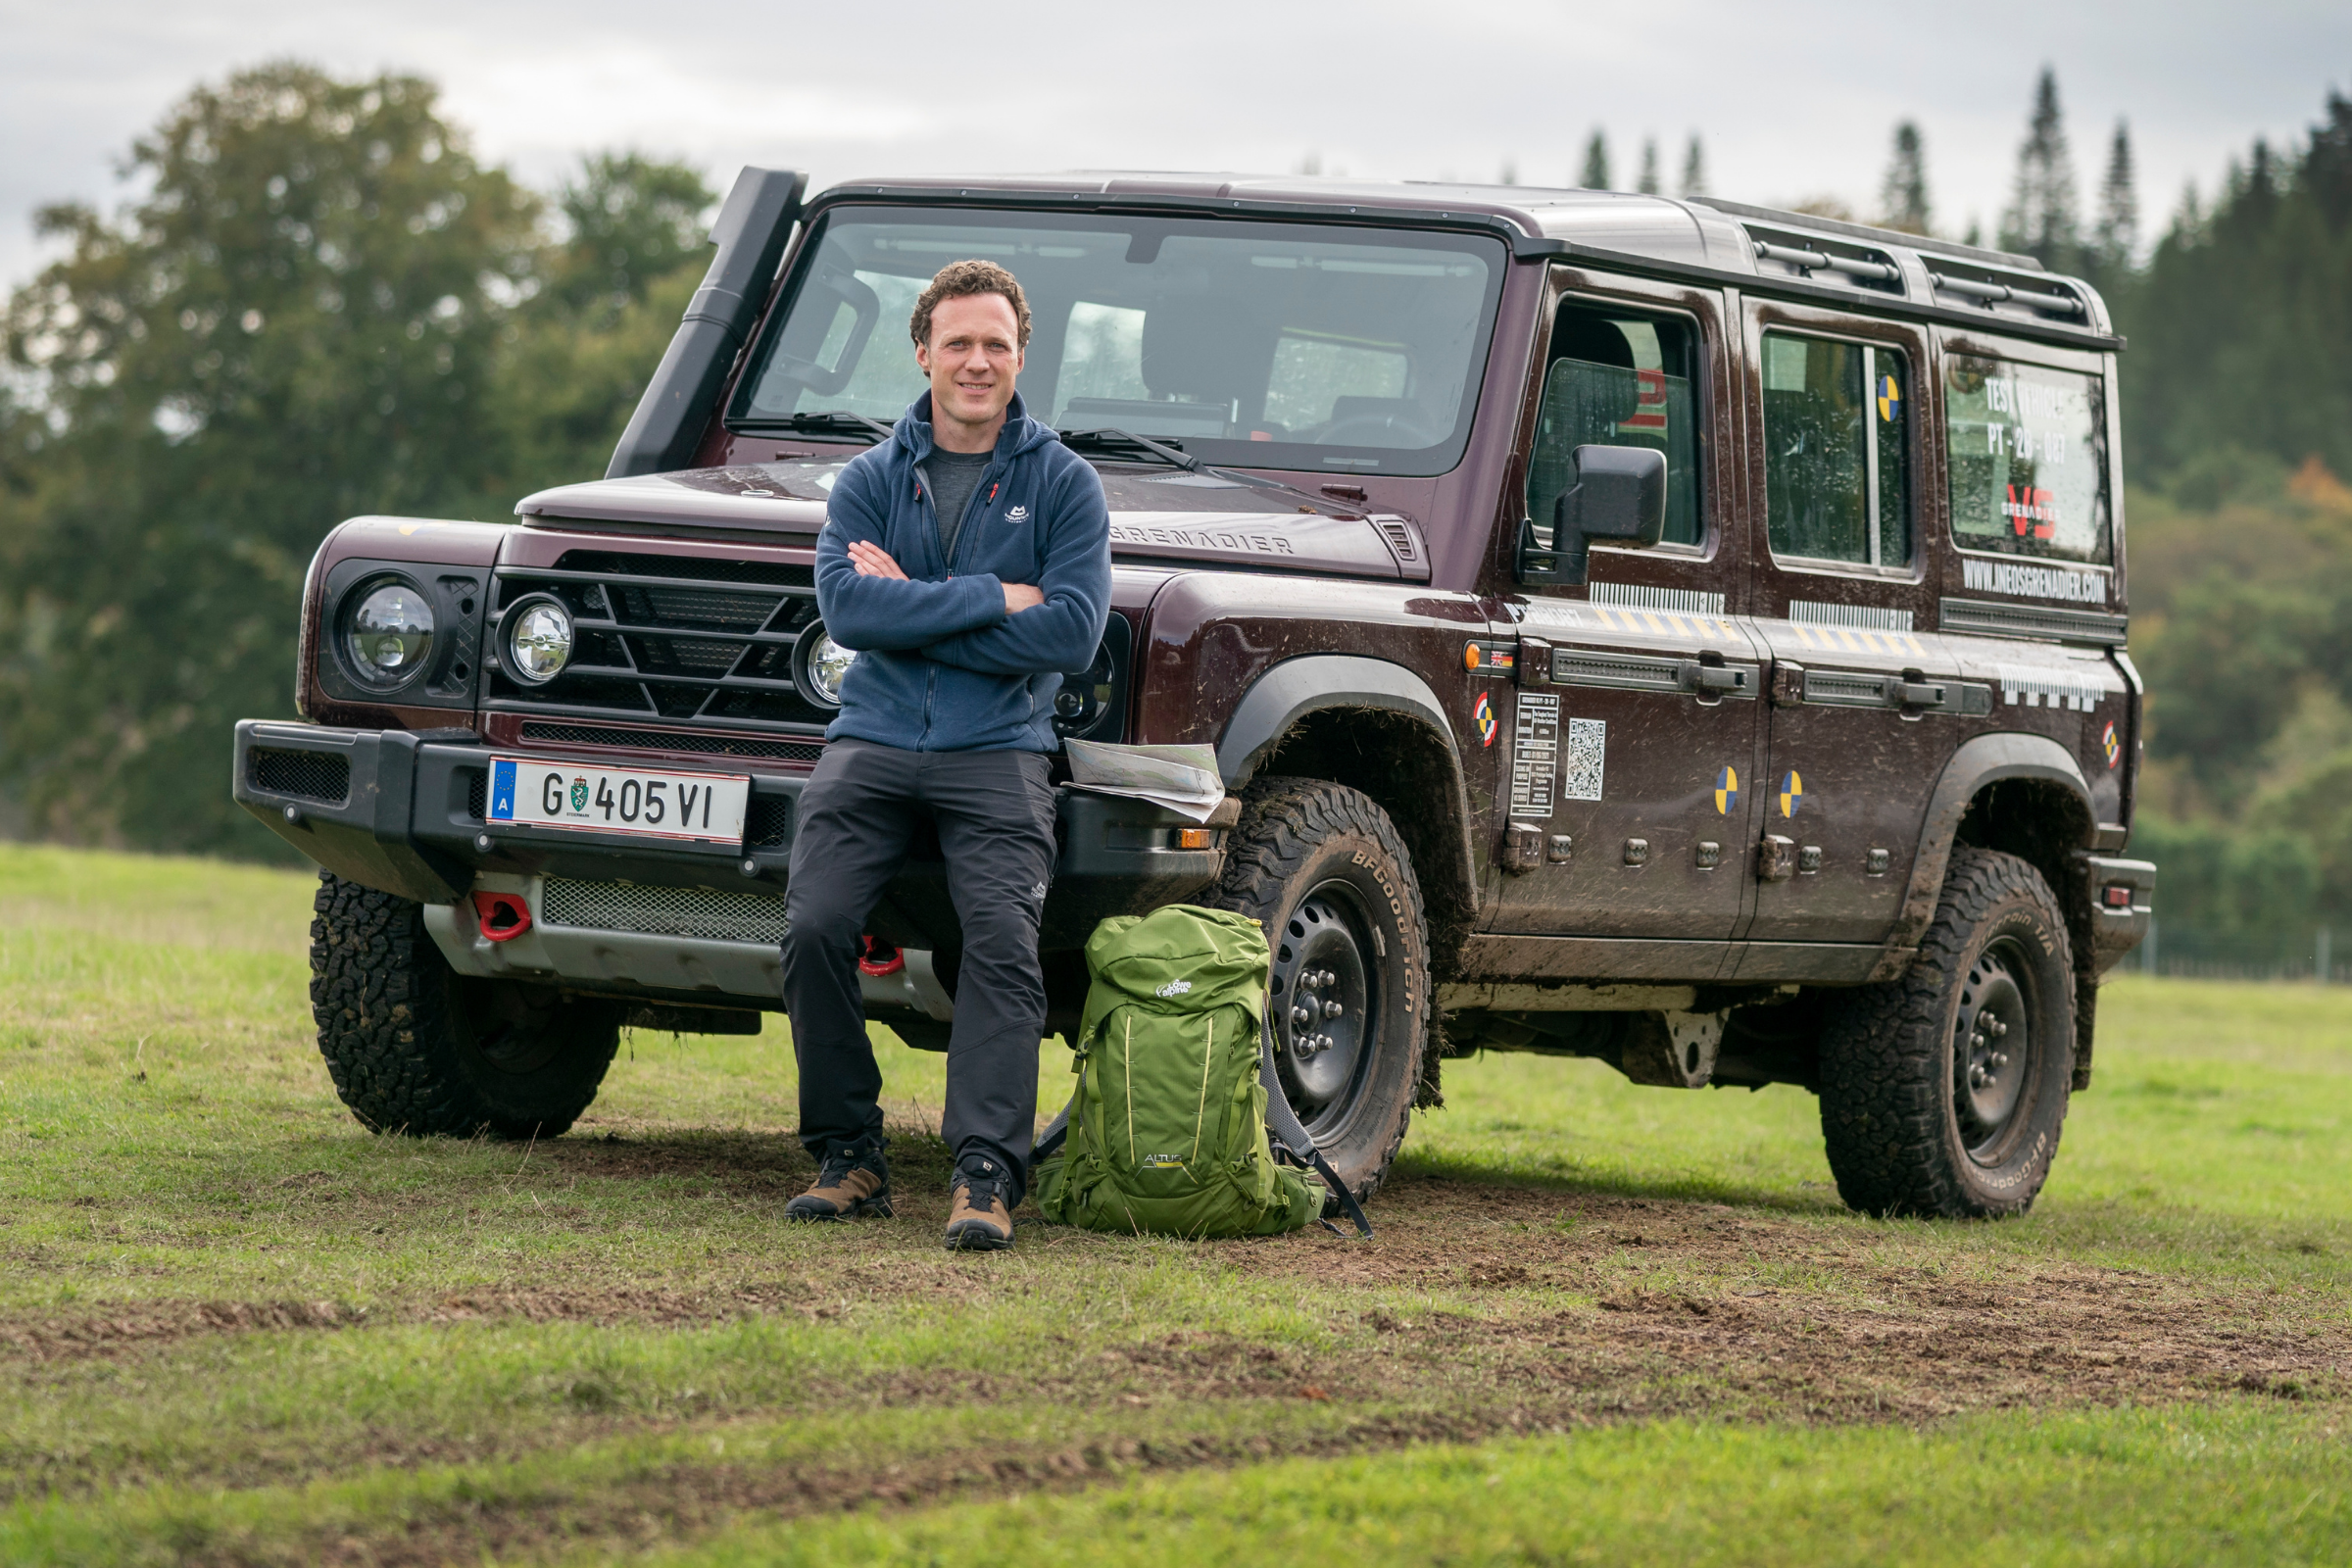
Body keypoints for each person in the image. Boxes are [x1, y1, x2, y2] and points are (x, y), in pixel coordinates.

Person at [779, 260, 1112, 1250]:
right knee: (813, 927)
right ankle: (850, 1155)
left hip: (999, 747)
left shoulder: (1064, 484)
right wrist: (990, 594)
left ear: (1021, 356)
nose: (977, 362)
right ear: (922, 350)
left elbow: (1069, 636)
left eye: (996, 345)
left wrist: (912, 608)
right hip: (871, 741)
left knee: (1004, 947)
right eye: (959, 343)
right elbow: (846, 610)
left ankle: (984, 1173)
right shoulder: (871, 479)